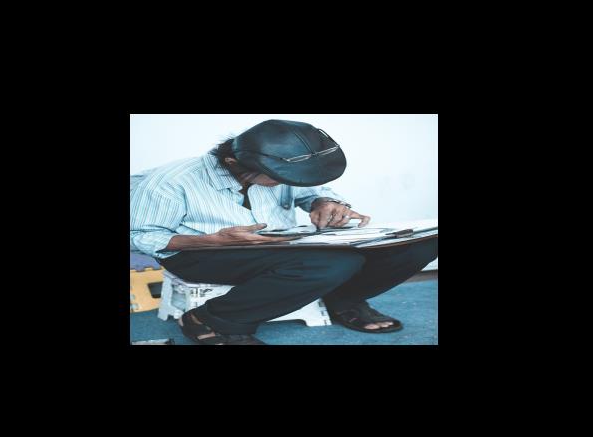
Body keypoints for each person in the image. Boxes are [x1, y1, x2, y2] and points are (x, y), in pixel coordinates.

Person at [130, 119, 437, 345]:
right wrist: (212, 240)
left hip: (277, 243)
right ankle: (213, 319)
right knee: (336, 263)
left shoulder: (281, 166)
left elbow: (312, 191)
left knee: (419, 245)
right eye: (280, 179)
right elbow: (141, 237)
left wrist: (325, 203)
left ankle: (344, 299)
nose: (289, 183)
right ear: (232, 163)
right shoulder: (170, 182)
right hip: (199, 251)